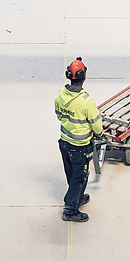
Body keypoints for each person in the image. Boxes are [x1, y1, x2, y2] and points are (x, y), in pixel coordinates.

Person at [54, 58, 102, 222]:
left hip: (64, 142)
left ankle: (78, 196)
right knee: (79, 177)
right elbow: (96, 125)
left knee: (72, 174)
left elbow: (59, 114)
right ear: (84, 75)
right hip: (79, 147)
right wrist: (100, 133)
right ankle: (70, 209)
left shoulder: (61, 93)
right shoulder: (86, 101)